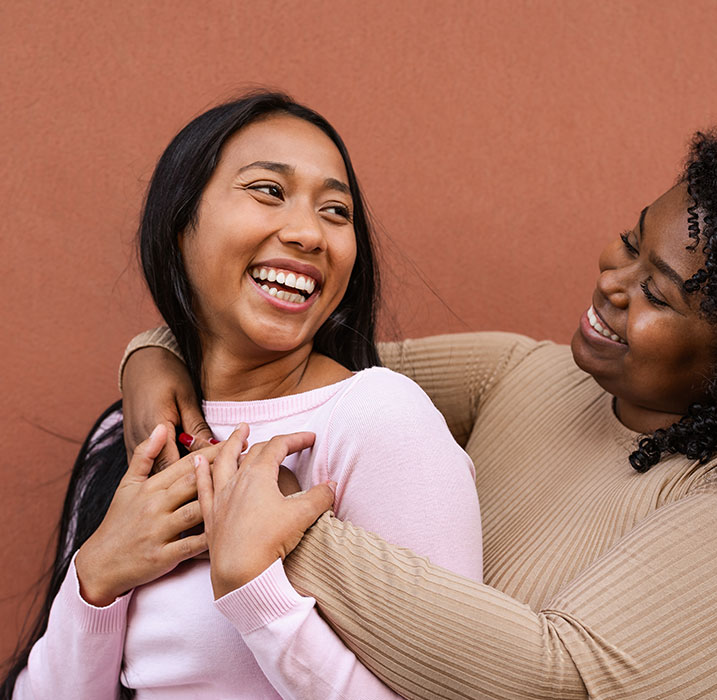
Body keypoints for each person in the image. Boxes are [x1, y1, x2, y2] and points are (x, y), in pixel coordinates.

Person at [116, 109, 717, 699]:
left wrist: (285, 535)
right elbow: (279, 358)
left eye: (656, 291)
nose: (611, 281)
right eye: (630, 240)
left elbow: (558, 679)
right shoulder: (529, 376)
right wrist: (153, 356)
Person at [2, 92, 482, 700]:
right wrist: (94, 579)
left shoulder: (377, 420)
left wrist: (257, 591)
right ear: (180, 226)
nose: (309, 232)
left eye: (336, 211)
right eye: (268, 191)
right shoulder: (127, 431)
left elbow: (451, 688)